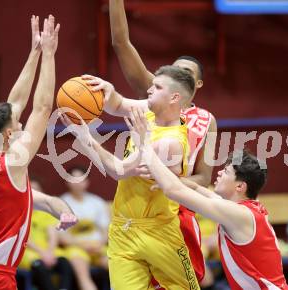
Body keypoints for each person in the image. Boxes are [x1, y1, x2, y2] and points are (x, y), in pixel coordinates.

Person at [0, 15, 77, 290]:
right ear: (9, 134)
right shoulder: (13, 161)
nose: (22, 122)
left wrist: (34, 51)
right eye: (17, 124)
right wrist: (49, 55)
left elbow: (15, 103)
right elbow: (43, 107)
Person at [107, 0, 218, 284]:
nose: (176, 75)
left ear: (196, 86)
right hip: (140, 208)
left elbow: (205, 177)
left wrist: (172, 182)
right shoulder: (154, 99)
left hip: (176, 209)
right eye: (173, 70)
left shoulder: (207, 120)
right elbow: (121, 42)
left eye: (186, 73)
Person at [62, 65, 200, 290]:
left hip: (159, 231)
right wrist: (106, 89)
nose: (149, 90)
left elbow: (118, 170)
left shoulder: (171, 142)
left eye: (157, 87)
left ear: (174, 97)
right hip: (122, 229)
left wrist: (84, 136)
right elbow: (117, 104)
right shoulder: (149, 111)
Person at [125, 107, 288, 290]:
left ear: (240, 186)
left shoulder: (239, 214)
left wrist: (145, 147)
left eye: (226, 172)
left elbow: (175, 191)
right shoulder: (242, 209)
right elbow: (195, 186)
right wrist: (165, 174)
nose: (219, 172)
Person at [59, 165, 110, 290]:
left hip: (98, 246)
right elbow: (62, 236)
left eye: (81, 179)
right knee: (82, 273)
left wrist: (99, 244)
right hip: (76, 247)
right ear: (67, 181)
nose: (77, 183)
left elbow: (107, 230)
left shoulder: (97, 202)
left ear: (87, 182)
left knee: (117, 266)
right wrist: (83, 245)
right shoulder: (62, 203)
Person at [20, 179, 74, 290]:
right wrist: (43, 253)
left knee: (64, 262)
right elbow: (25, 238)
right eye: (30, 189)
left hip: (48, 250)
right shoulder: (18, 212)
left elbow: (52, 234)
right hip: (28, 251)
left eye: (36, 190)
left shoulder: (45, 212)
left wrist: (50, 251)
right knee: (39, 265)